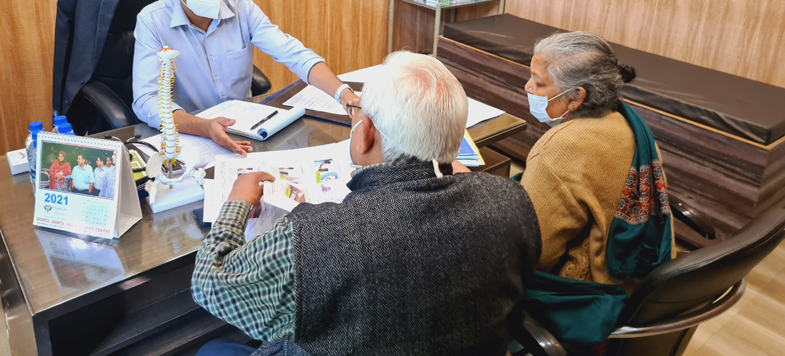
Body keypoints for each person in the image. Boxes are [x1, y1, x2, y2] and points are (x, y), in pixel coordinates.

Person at [191, 52, 542, 356]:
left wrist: (237, 203)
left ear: (366, 132)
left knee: (211, 349)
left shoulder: (314, 238)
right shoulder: (510, 199)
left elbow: (210, 285)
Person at [516, 31, 675, 351]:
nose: (527, 88)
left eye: (538, 82)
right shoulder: (626, 119)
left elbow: (533, 253)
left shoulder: (561, 147)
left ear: (576, 97)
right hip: (638, 276)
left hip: (587, 293)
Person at [132, 0, 358, 156]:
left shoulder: (241, 7)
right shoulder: (152, 21)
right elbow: (146, 99)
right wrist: (203, 126)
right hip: (189, 133)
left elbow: (294, 54)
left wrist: (344, 95)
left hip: (245, 127)